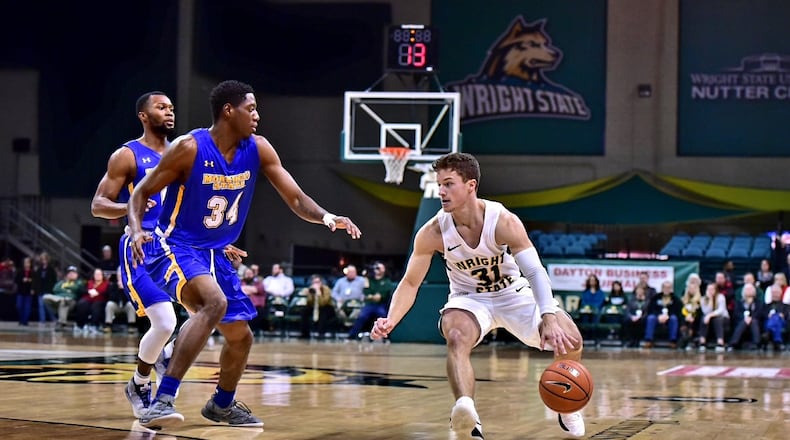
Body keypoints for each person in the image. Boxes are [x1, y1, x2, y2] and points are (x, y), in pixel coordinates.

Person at [127, 79, 361, 429]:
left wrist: (328, 217)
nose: (257, 115)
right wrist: (136, 229)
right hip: (175, 246)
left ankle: (221, 404)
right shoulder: (189, 148)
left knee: (241, 336)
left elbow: (295, 198)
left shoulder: (259, 148)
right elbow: (140, 193)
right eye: (250, 108)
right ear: (228, 111)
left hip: (215, 253)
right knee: (214, 304)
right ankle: (161, 400)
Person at [369, 153, 585, 438]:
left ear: (471, 185)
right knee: (456, 336)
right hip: (468, 298)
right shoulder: (433, 231)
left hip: (512, 293)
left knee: (571, 340)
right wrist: (391, 318)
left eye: (448, 184)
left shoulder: (503, 220)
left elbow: (534, 272)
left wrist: (549, 316)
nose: (441, 192)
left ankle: (567, 405)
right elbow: (410, 282)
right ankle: (466, 412)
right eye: (439, 185)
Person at [90, 91, 179, 418]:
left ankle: (163, 352)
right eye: (161, 107)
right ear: (143, 115)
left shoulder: (181, 153)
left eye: (171, 107)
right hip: (141, 247)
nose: (169, 112)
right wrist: (131, 208)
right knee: (165, 321)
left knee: (208, 311)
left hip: (177, 247)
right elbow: (98, 205)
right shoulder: (127, 155)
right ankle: (140, 384)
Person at [348, 261, 394, 340]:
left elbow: (379, 297)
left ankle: (386, 336)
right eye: (376, 267)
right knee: (361, 316)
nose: (377, 269)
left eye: (379, 267)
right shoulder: (369, 280)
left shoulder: (387, 282)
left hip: (380, 305)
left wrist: (372, 296)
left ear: (384, 270)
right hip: (369, 304)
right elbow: (366, 294)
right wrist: (371, 296)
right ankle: (352, 335)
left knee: (383, 315)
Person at [42, 265, 84, 330]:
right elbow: (55, 289)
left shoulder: (79, 282)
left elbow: (76, 288)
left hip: (71, 301)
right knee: (45, 297)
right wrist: (67, 289)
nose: (71, 274)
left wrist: (65, 288)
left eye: (73, 273)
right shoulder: (62, 282)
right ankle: (60, 320)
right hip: (59, 299)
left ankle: (61, 323)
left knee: (64, 302)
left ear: (77, 274)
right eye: (70, 273)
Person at [643, 280, 682, 349]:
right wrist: (658, 316)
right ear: (662, 288)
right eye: (665, 287)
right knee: (651, 318)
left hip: (669, 318)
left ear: (671, 289)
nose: (666, 289)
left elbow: (677, 311)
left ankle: (673, 341)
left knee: (674, 318)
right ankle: (648, 340)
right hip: (657, 317)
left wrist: (668, 316)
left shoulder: (675, 299)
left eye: (668, 288)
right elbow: (651, 309)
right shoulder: (656, 297)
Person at [727, 283, 763, 351]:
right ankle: (733, 344)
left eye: (750, 289)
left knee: (754, 321)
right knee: (743, 322)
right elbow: (736, 313)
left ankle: (757, 343)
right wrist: (745, 319)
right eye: (747, 289)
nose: (749, 291)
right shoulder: (738, 302)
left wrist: (751, 318)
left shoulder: (758, 302)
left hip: (756, 322)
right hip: (740, 321)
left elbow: (760, 313)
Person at [299, 274, 336, 339]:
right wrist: (311, 294)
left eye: (317, 282)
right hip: (314, 306)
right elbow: (309, 302)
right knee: (304, 311)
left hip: (326, 306)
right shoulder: (310, 289)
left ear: (321, 282)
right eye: (314, 282)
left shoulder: (326, 289)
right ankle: (305, 333)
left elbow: (324, 302)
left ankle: (321, 333)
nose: (316, 284)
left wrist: (319, 294)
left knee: (323, 312)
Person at [74, 267, 109, 334]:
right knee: (82, 303)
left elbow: (107, 293)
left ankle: (94, 325)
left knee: (96, 306)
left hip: (100, 300)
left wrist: (98, 293)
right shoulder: (89, 282)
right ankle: (80, 325)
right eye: (96, 274)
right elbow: (81, 290)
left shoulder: (107, 284)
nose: (97, 276)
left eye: (99, 274)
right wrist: (89, 291)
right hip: (88, 298)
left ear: (102, 275)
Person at [696, 282, 729, 352]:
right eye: (708, 289)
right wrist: (710, 300)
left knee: (717, 319)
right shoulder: (703, 299)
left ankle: (720, 342)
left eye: (712, 289)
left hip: (723, 318)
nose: (710, 291)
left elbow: (721, 310)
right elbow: (705, 312)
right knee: (703, 318)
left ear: (715, 290)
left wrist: (710, 315)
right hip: (709, 319)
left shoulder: (721, 297)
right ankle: (702, 342)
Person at [104, 267, 138, 334]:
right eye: (119, 275)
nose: (120, 276)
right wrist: (118, 289)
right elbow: (111, 298)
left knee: (131, 304)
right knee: (109, 304)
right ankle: (108, 325)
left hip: (125, 306)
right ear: (117, 275)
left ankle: (131, 326)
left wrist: (123, 289)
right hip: (116, 305)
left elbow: (131, 298)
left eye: (122, 274)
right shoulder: (113, 285)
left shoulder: (129, 285)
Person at [32, 252, 58, 324]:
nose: (44, 261)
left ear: (47, 260)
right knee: (41, 305)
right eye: (42, 259)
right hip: (40, 289)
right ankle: (42, 320)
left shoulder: (51, 269)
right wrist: (34, 288)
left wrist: (53, 289)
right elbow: (36, 280)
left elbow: (54, 280)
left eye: (45, 259)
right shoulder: (39, 269)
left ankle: (53, 318)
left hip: (48, 289)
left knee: (47, 305)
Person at [240, 267, 267, 336]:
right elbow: (240, 290)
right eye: (247, 273)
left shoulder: (258, 283)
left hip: (257, 306)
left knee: (258, 312)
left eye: (250, 273)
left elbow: (257, 290)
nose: (248, 275)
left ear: (253, 274)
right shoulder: (240, 282)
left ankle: (253, 332)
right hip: (243, 306)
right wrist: (250, 290)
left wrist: (246, 289)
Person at [15, 256, 34, 326]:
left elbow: (35, 282)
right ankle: (21, 319)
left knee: (27, 307)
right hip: (20, 291)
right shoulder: (20, 271)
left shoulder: (32, 272)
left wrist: (30, 281)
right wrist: (22, 280)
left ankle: (25, 321)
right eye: (25, 262)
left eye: (28, 262)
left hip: (28, 292)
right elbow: (16, 280)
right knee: (19, 306)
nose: (27, 264)